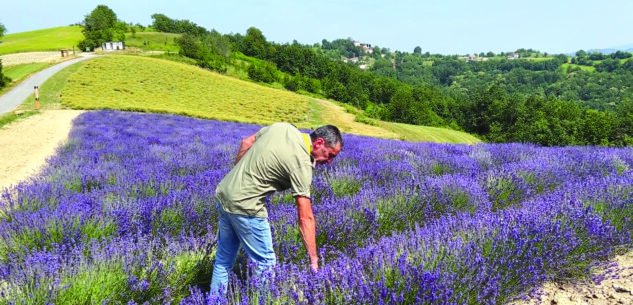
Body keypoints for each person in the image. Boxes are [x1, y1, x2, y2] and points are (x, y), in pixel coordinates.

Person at [210, 122, 343, 293]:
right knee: (265, 263)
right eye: (330, 155)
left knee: (223, 260)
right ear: (319, 143)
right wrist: (314, 259)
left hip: (225, 193)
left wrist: (239, 178)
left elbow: (246, 142)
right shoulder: (302, 163)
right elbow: (305, 217)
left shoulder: (283, 127)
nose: (330, 162)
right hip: (247, 206)